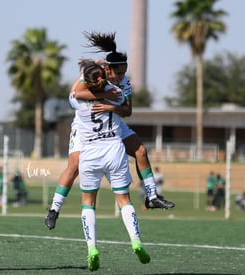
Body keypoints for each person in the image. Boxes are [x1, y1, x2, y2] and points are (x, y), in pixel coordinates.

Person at [45, 31, 174, 230]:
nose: (122, 77)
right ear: (107, 69)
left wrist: (110, 106)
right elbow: (74, 94)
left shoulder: (124, 83)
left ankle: (152, 196)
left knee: (140, 151)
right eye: (119, 73)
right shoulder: (93, 73)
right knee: (74, 166)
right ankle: (54, 209)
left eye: (124, 72)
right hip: (85, 127)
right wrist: (102, 95)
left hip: (113, 124)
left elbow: (128, 111)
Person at [74, 60, 150, 271]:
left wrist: (85, 72)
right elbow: (126, 108)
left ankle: (92, 248)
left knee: (88, 203)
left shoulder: (77, 100)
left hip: (90, 154)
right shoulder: (116, 92)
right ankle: (135, 241)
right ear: (104, 75)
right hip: (114, 150)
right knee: (124, 200)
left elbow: (76, 91)